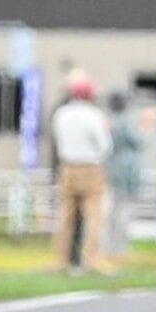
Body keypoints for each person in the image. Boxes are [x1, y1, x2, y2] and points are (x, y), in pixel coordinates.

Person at [50, 69, 114, 274]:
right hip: (90, 167)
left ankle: (62, 259)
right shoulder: (93, 115)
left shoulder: (61, 114)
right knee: (94, 216)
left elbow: (56, 140)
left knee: (66, 217)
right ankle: (91, 258)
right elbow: (105, 146)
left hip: (67, 166)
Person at [104, 91, 143, 264]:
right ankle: (120, 248)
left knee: (112, 211)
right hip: (128, 171)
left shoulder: (109, 121)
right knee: (125, 211)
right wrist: (145, 127)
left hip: (112, 168)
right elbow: (139, 142)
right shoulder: (126, 123)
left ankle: (109, 246)